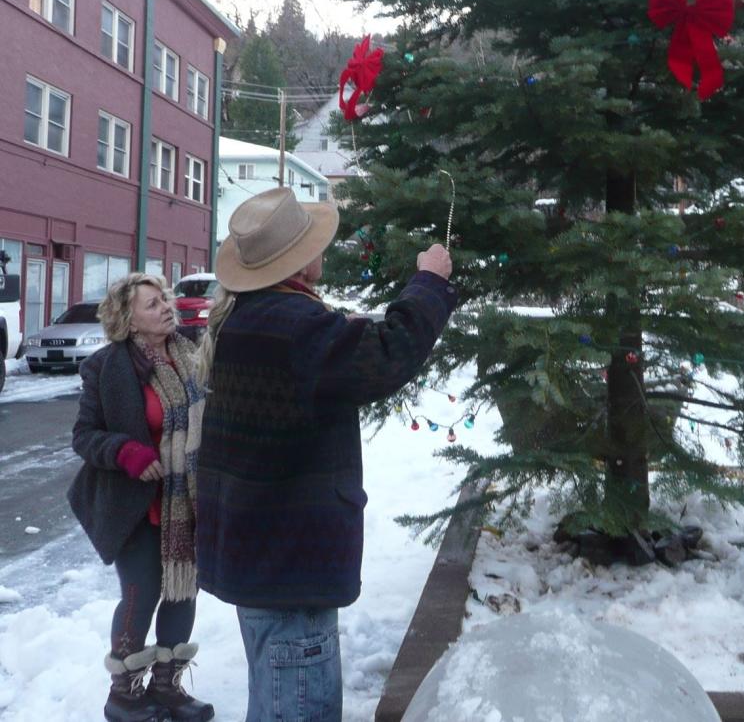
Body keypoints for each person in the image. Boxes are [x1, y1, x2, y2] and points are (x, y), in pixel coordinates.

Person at [195, 187, 457, 722]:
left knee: (272, 697)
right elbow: (386, 354)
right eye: (315, 242)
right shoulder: (297, 328)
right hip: (290, 564)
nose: (325, 249)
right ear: (296, 262)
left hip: (259, 558)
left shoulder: (245, 318)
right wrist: (430, 280)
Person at [67, 273, 214, 722]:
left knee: (182, 591)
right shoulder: (108, 367)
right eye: (152, 304)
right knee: (143, 589)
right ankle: (124, 695)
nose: (166, 308)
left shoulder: (193, 354)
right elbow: (84, 437)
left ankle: (167, 689)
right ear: (128, 320)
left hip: (186, 500)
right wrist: (126, 451)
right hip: (135, 502)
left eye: (165, 299)